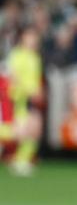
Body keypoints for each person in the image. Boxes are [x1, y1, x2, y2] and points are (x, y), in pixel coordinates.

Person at [0, 27, 44, 176]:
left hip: (30, 98)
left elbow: (35, 79)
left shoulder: (35, 57)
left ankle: (21, 161)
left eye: (34, 37)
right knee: (16, 131)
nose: (33, 40)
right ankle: (19, 160)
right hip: (17, 98)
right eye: (30, 36)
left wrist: (38, 90)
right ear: (23, 38)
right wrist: (29, 90)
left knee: (34, 128)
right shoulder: (17, 55)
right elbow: (13, 76)